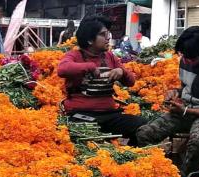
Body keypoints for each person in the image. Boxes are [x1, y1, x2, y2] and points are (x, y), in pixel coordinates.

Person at [57, 16, 147, 145]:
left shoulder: (110, 56)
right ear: (89, 40)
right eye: (103, 34)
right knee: (76, 135)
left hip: (109, 115)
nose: (108, 38)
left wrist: (121, 72)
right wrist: (90, 67)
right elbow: (62, 69)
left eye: (107, 34)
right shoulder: (74, 55)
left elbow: (131, 82)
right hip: (82, 115)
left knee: (143, 126)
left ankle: (130, 155)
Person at [137, 26, 199, 177]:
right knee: (144, 133)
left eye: (192, 58)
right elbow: (185, 86)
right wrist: (175, 92)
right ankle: (159, 172)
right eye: (184, 56)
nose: (187, 61)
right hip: (185, 109)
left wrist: (187, 111)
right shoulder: (185, 60)